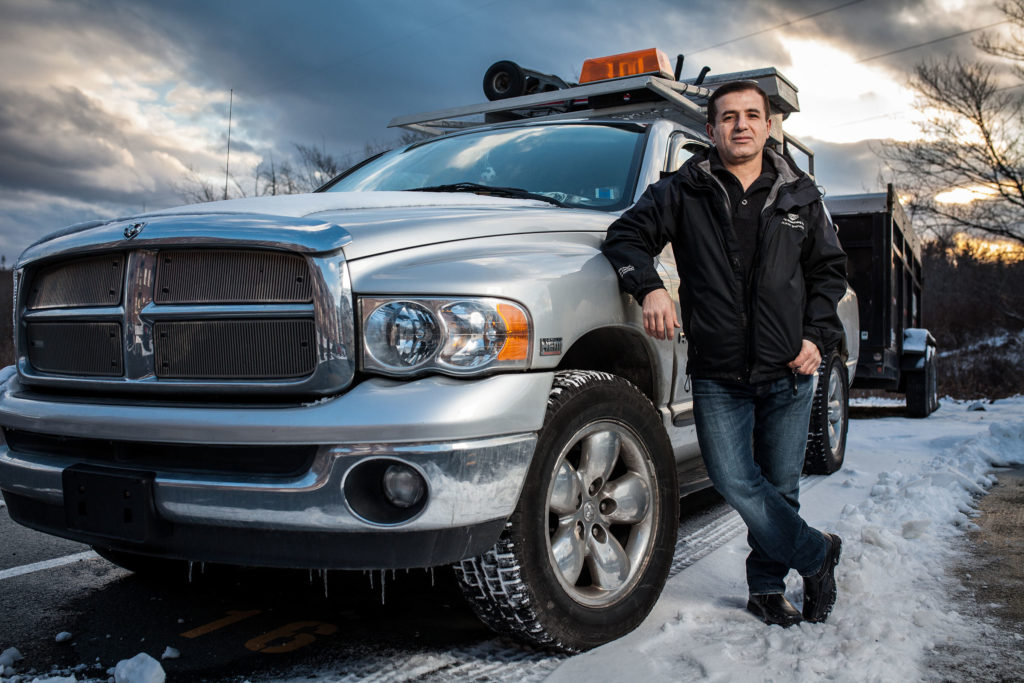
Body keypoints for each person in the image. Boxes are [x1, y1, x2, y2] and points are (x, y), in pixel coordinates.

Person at [601, 80, 847, 627]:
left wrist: (816, 337)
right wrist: (651, 287)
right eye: (729, 116)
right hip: (719, 372)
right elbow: (624, 236)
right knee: (735, 480)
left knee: (780, 488)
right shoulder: (682, 189)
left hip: (789, 367)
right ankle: (817, 554)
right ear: (710, 129)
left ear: (766, 126)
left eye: (752, 115)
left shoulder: (801, 195)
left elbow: (829, 274)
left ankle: (765, 589)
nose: (741, 125)